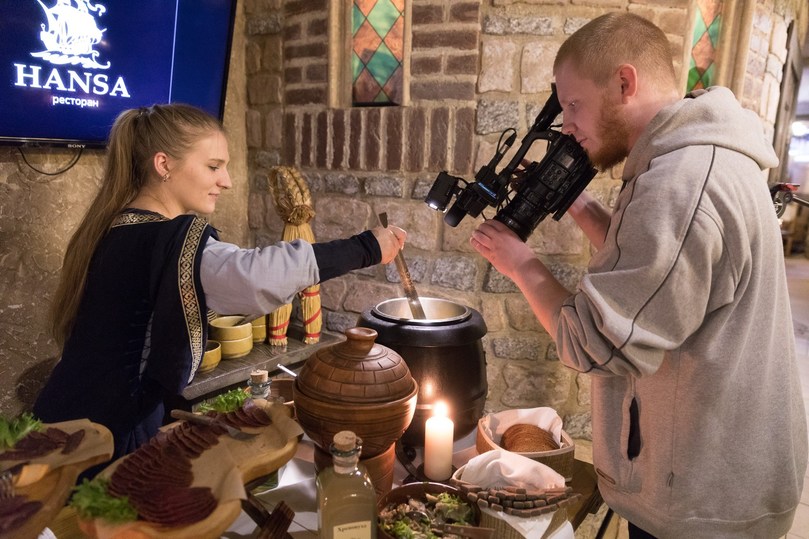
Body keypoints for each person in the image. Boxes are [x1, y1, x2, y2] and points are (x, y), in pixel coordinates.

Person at [470, 12, 807, 539]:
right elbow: (660, 272)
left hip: (702, 503)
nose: (567, 125)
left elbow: (593, 343)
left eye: (573, 104)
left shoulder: (680, 184)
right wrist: (579, 204)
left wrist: (520, 262)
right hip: (718, 475)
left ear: (625, 83)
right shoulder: (695, 157)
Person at [33, 103, 406, 466]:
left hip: (64, 422)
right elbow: (256, 278)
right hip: (104, 439)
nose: (226, 181)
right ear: (164, 165)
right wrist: (367, 247)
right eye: (213, 166)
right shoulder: (167, 240)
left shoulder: (115, 226)